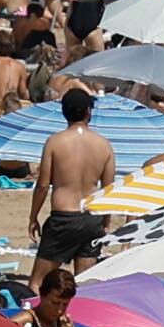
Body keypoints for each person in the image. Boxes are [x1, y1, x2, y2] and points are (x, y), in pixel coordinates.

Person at [28, 87, 114, 280]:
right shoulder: (104, 145)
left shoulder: (55, 142)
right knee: (83, 284)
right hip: (92, 218)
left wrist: (33, 217)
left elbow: (42, 186)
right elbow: (108, 190)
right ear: (88, 111)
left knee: (38, 282)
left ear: (64, 112)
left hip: (63, 217)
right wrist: (106, 222)